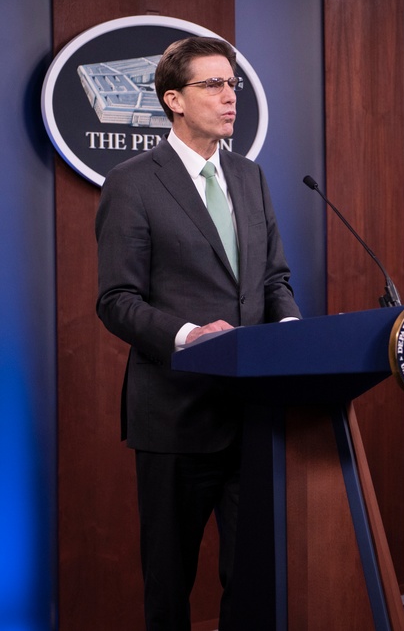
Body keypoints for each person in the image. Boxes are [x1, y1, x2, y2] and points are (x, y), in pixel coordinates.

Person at [95, 36, 302, 630]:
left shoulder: (249, 176)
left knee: (253, 578)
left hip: (253, 415)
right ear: (174, 100)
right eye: (212, 84)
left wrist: (289, 328)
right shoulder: (133, 183)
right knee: (170, 583)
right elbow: (116, 301)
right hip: (175, 418)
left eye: (231, 83)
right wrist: (189, 335)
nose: (229, 96)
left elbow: (275, 278)